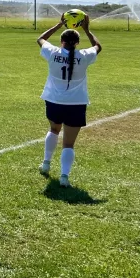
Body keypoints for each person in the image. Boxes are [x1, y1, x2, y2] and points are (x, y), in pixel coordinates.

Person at [37, 15, 102, 188]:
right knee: (68, 143)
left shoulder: (53, 53)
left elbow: (41, 39)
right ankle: (64, 177)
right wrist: (87, 30)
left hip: (54, 101)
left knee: (54, 130)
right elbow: (98, 46)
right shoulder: (84, 56)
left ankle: (45, 164)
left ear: (61, 41)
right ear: (77, 43)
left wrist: (58, 24)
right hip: (76, 103)